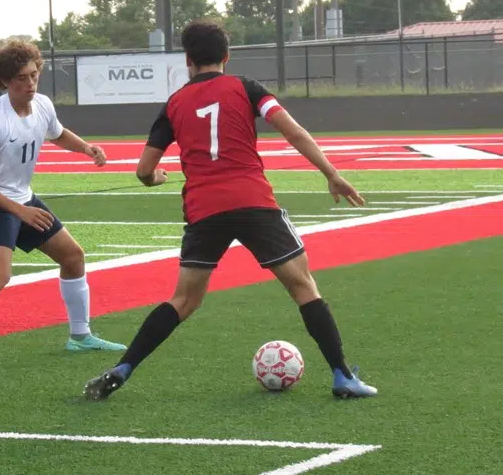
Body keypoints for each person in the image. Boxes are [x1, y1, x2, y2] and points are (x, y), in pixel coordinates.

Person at [83, 20, 377, 400]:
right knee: (303, 287)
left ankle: (124, 367)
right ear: (227, 56)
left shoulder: (172, 105)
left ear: (187, 60)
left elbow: (143, 171)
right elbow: (294, 132)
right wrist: (332, 174)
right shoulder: (247, 88)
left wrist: (157, 178)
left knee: (183, 300)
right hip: (253, 201)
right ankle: (341, 375)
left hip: (204, 209)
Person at [0, 39, 126, 374]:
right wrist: (18, 211)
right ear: (6, 81)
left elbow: (58, 133)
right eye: (22, 77)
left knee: (73, 256)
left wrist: (86, 148)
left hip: (23, 198)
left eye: (34, 75)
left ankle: (80, 336)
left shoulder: (42, 105)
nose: (31, 83)